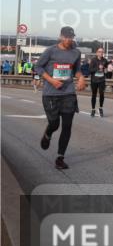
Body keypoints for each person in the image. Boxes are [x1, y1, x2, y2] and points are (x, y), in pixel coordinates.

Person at [37, 27, 86, 170]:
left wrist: (81, 77)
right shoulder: (51, 51)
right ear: (60, 37)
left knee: (67, 125)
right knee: (54, 124)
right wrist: (51, 80)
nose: (68, 40)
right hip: (51, 93)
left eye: (71, 37)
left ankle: (60, 157)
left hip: (68, 93)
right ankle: (48, 133)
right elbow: (38, 67)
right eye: (66, 37)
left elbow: (76, 70)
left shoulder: (76, 52)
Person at [89, 47, 110, 117]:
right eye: (99, 52)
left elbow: (106, 69)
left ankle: (100, 108)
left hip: (102, 80)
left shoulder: (105, 60)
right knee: (94, 95)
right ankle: (93, 109)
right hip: (94, 80)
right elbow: (90, 70)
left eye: (102, 52)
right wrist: (98, 68)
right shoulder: (93, 60)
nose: (101, 53)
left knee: (102, 94)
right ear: (97, 53)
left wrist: (106, 70)